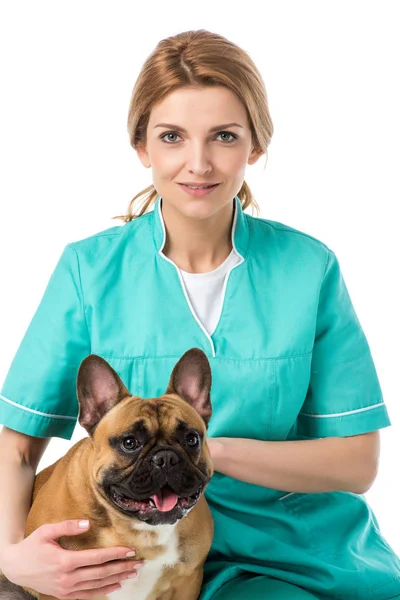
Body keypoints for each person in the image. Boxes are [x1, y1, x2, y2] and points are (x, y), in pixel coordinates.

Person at [0, 28, 399, 600]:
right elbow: (16, 445)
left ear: (254, 146)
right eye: (171, 136)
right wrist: (13, 557)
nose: (198, 163)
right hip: (122, 554)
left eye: (224, 136)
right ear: (142, 147)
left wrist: (206, 451)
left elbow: (358, 462)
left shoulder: (310, 268)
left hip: (284, 546)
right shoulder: (88, 270)